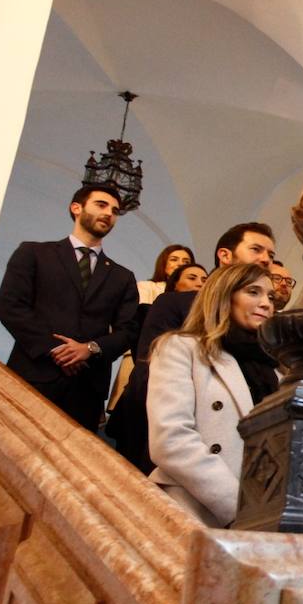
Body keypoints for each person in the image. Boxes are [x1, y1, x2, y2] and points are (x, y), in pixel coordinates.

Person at [0, 185, 140, 431]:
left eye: (115, 211)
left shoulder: (122, 277)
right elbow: (11, 306)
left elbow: (128, 331)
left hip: (85, 388)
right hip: (33, 375)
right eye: (101, 205)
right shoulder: (34, 253)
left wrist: (90, 349)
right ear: (76, 208)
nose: (109, 214)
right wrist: (56, 349)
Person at [146, 263, 277, 526]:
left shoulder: (277, 370)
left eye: (271, 297)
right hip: (192, 510)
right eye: (253, 292)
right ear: (224, 295)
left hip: (260, 520)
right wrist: (238, 506)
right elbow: (171, 439)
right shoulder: (181, 348)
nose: (266, 303)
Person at [106, 259, 209, 472]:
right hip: (150, 403)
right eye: (191, 277)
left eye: (205, 279)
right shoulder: (167, 304)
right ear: (174, 285)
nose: (200, 283)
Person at [136, 221, 277, 360]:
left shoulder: (264, 314)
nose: (266, 260)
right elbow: (150, 364)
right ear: (225, 255)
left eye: (271, 255)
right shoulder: (175, 303)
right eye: (255, 249)